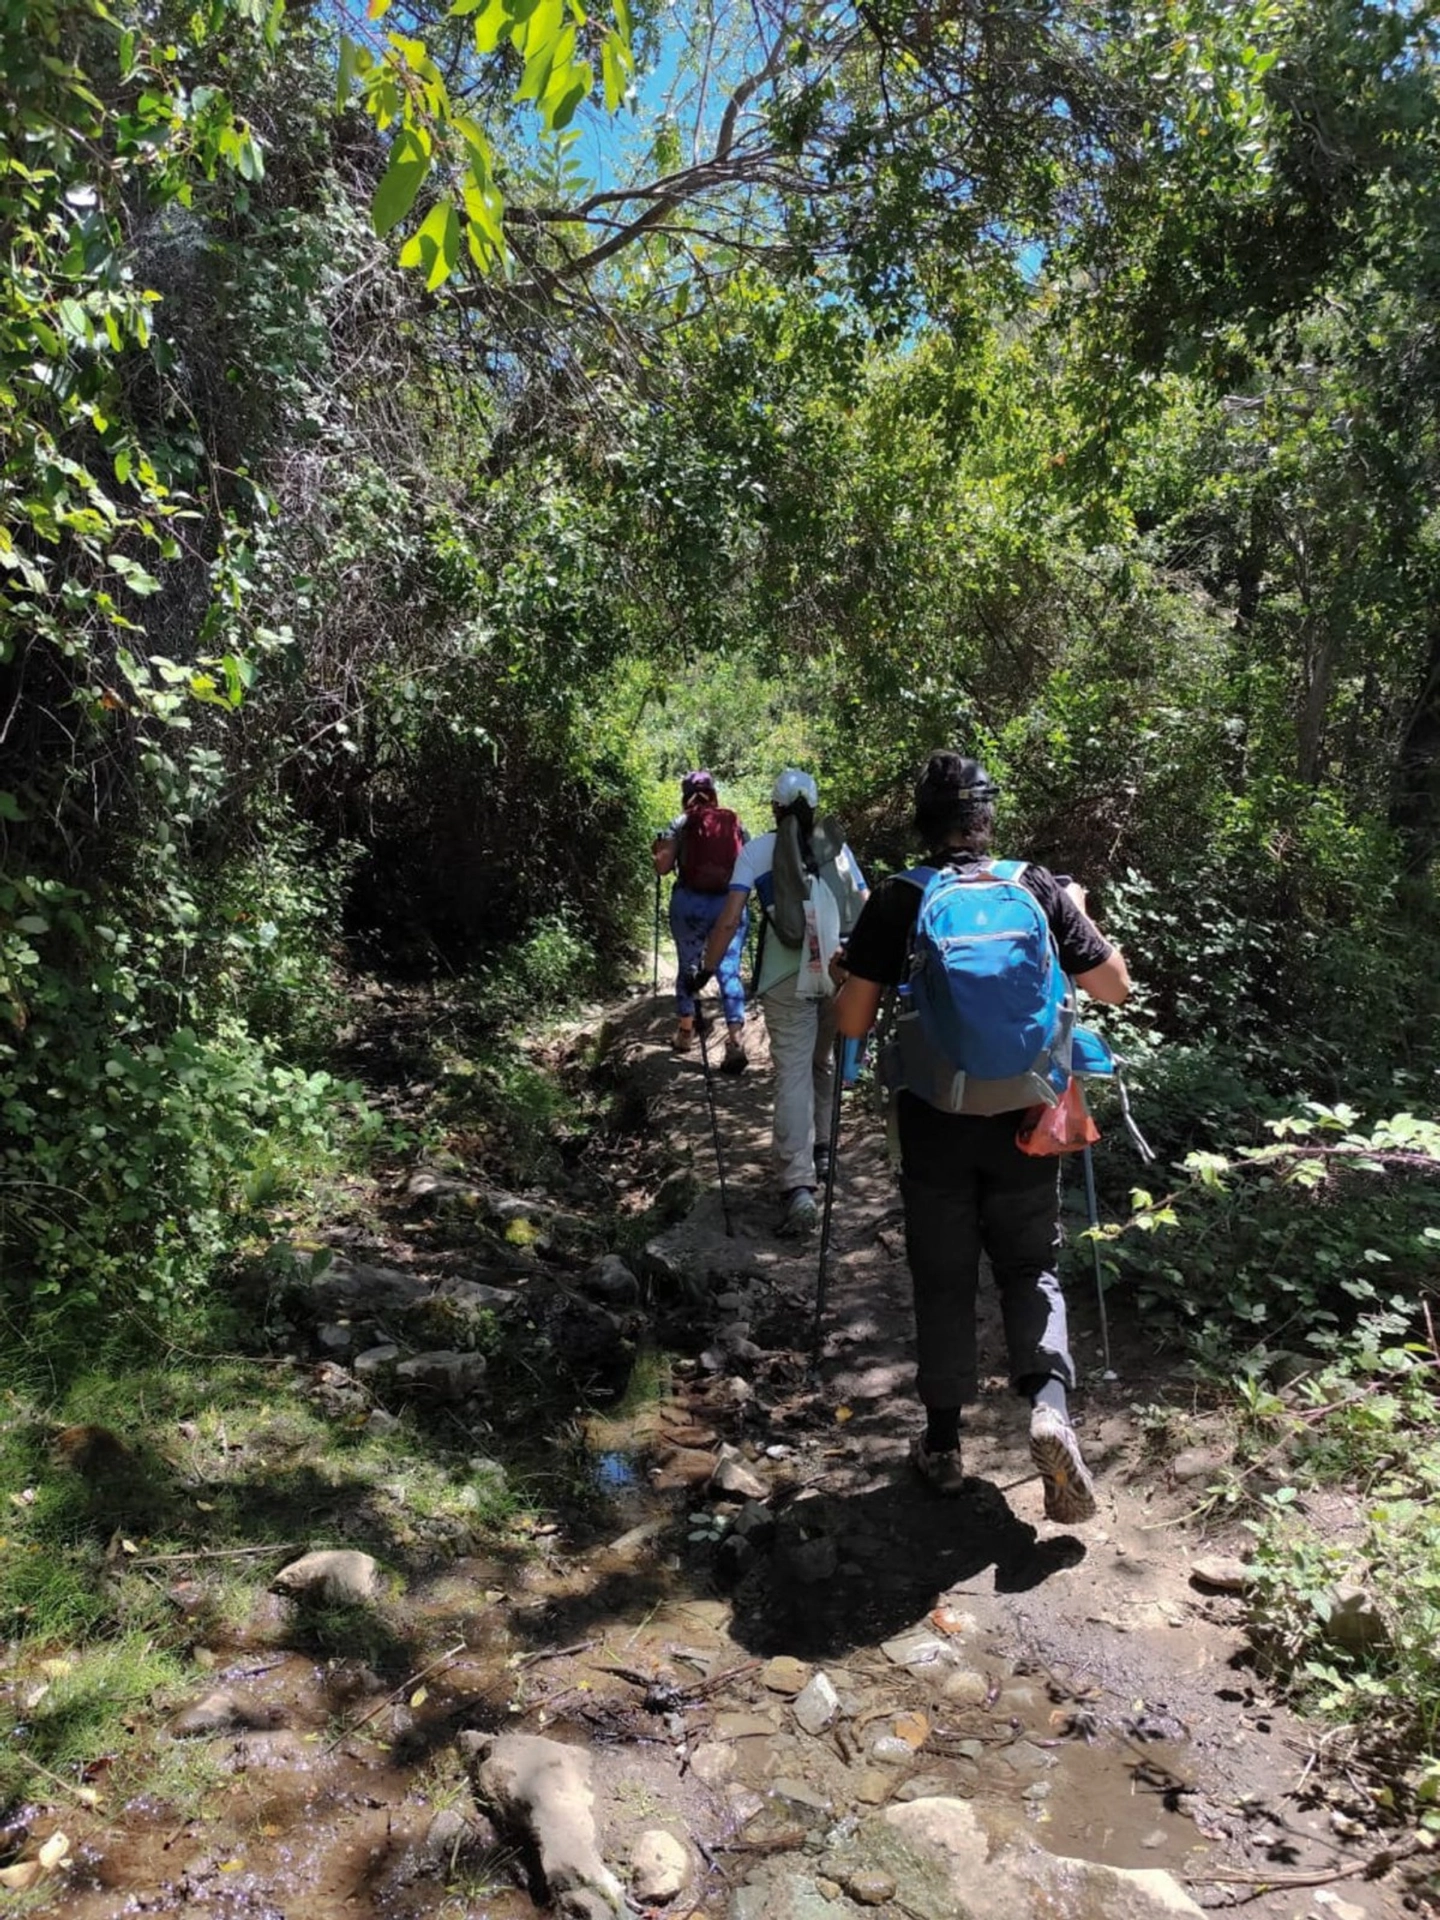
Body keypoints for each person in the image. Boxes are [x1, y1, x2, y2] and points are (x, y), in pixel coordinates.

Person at [831, 751, 1132, 1523]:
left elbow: (854, 1024)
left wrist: (858, 973)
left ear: (923, 823)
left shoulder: (900, 897)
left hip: (935, 1119)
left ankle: (942, 1446)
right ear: (987, 817)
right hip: (1029, 1117)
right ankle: (1050, 1411)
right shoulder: (1035, 886)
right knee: (1030, 1263)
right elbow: (1113, 988)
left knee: (943, 1275)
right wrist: (1081, 908)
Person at [693, 770, 868, 1237]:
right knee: (822, 1061)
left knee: (792, 1070)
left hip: (784, 975)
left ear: (773, 809)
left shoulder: (756, 853)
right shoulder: (838, 848)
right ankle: (825, 1148)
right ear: (814, 805)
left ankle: (798, 1186)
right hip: (837, 970)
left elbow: (730, 920)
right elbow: (864, 905)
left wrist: (704, 972)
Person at [652, 770, 749, 1073]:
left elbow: (664, 868)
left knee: (688, 965)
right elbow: (747, 861)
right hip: (728, 904)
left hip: (689, 903)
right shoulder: (734, 822)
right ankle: (735, 1041)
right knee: (729, 970)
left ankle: (685, 1032)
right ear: (714, 793)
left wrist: (657, 852)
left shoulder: (680, 823)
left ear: (685, 795)